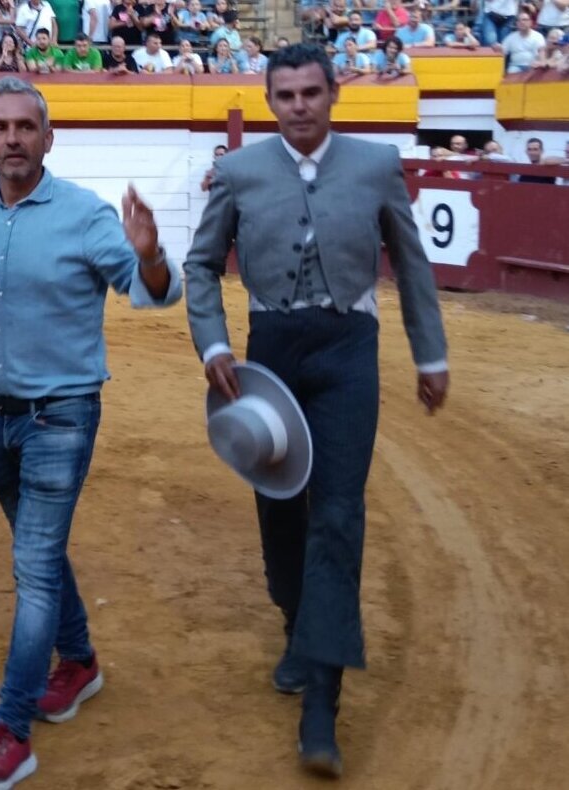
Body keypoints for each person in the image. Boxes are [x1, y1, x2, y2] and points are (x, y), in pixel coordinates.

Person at [184, 43, 449, 780]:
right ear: (271, 102)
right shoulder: (239, 172)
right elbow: (202, 265)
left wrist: (430, 354)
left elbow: (413, 261)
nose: (298, 106)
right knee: (278, 508)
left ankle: (321, 707)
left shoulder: (375, 163)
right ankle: (299, 627)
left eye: (310, 93)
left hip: (346, 350)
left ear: (332, 94)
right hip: (269, 353)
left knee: (337, 514)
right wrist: (212, 343)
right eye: (285, 95)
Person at [0, 76, 181, 790]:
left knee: (34, 567)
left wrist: (147, 253)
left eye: (26, 126)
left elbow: (154, 293)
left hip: (62, 416)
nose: (13, 137)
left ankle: (10, 729)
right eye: (0, 127)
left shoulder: (85, 214)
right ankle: (77, 662)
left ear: (49, 138)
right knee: (37, 554)